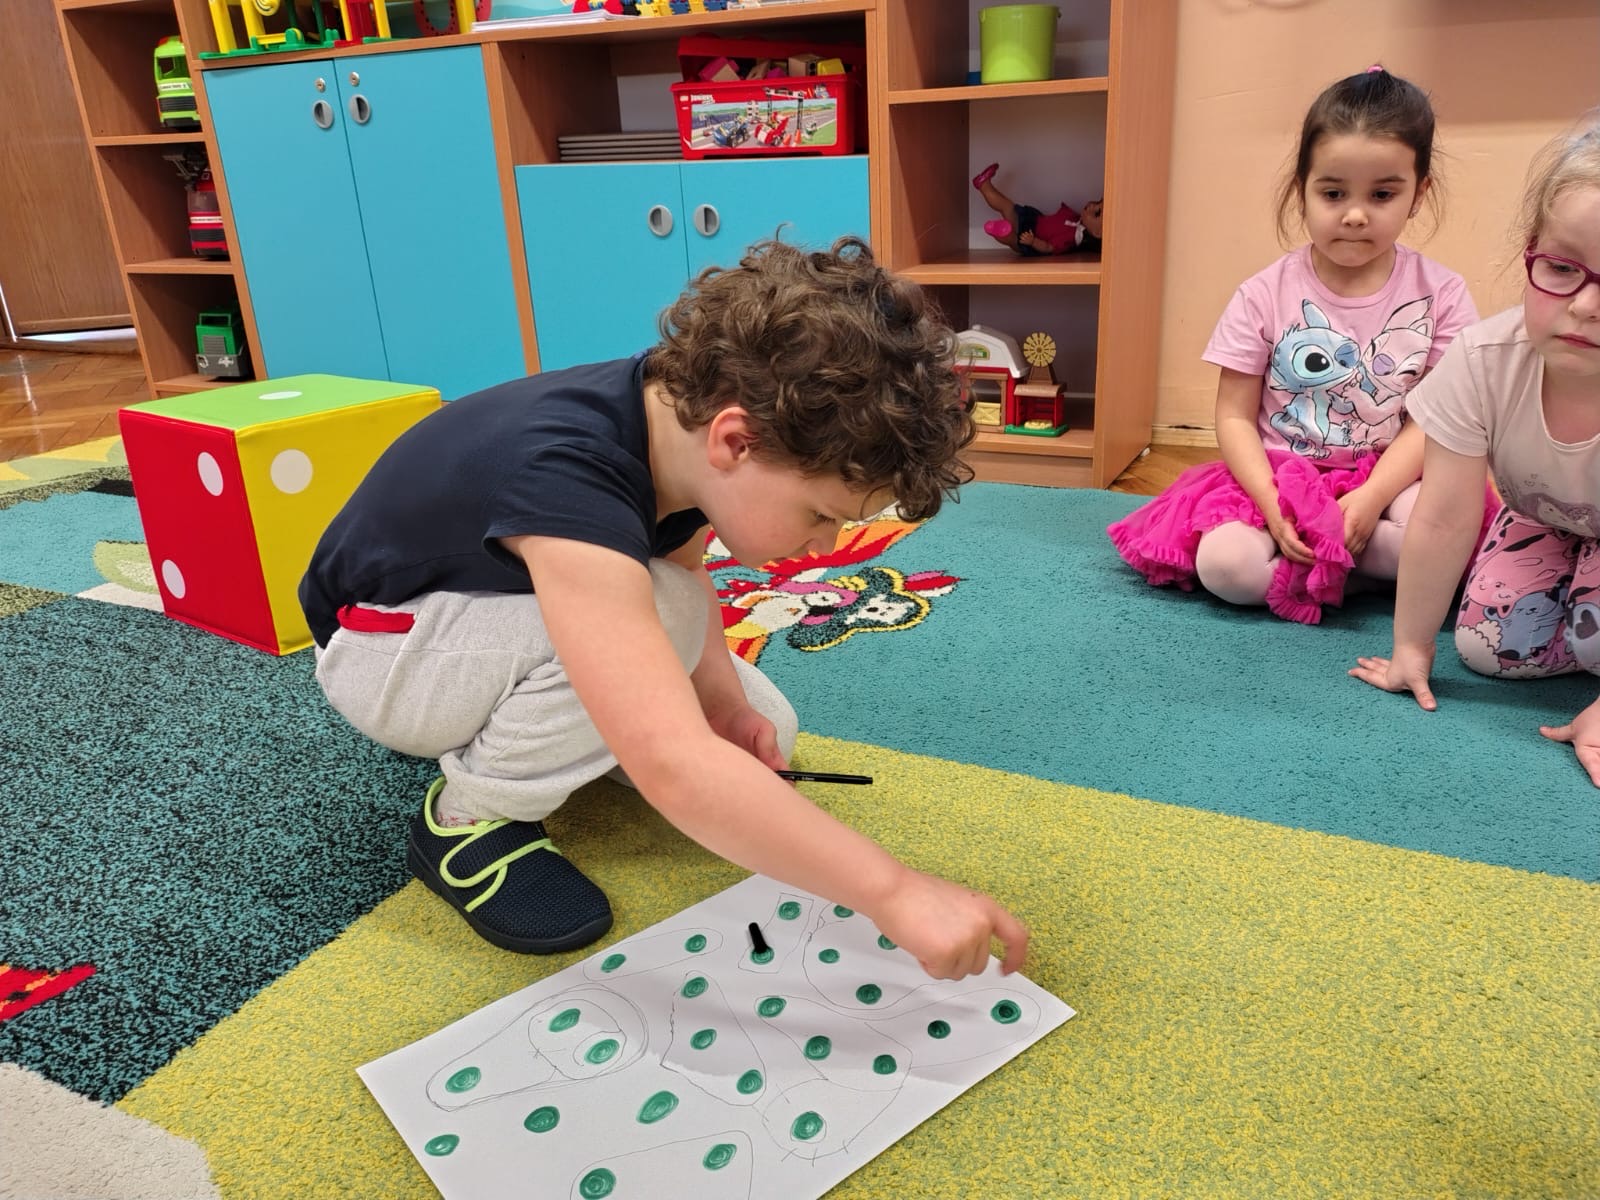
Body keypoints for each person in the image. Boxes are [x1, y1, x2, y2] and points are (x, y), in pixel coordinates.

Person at [299, 236, 1030, 979]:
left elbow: (679, 558)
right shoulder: (568, 476)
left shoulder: (678, 418)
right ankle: (467, 817)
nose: (824, 548)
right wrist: (894, 891)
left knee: (758, 725)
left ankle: (567, 737)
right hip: (381, 653)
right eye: (820, 515)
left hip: (480, 617)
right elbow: (673, 759)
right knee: (673, 651)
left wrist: (720, 700)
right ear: (735, 441)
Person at [1107, 67, 1482, 623]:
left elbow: (1432, 422)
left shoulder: (1443, 293)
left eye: (1382, 194)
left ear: (1418, 194)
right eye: (1333, 193)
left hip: (1386, 477)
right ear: (1301, 187)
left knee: (1444, 536)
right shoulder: (1263, 293)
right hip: (1278, 476)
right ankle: (1350, 574)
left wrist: (1373, 497)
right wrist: (1269, 502)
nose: (1355, 214)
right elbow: (1234, 416)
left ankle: (1327, 572)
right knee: (1226, 566)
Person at [1351, 121, 1600, 785]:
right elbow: (1442, 517)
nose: (1585, 305)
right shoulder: (1485, 360)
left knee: (1591, 636)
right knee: (1487, 648)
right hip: (1546, 517)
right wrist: (1410, 648)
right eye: (1562, 269)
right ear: (1530, 254)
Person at [971, 162, 1103, 257]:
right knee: (1008, 207)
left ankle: (997, 231)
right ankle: (984, 185)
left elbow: (1049, 248)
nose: (1092, 205)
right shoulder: (1076, 219)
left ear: (1098, 233)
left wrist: (1033, 241)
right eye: (1097, 202)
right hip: (1032, 221)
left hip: (1031, 240)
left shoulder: (1071, 238)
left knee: (1013, 239)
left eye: (1097, 213)